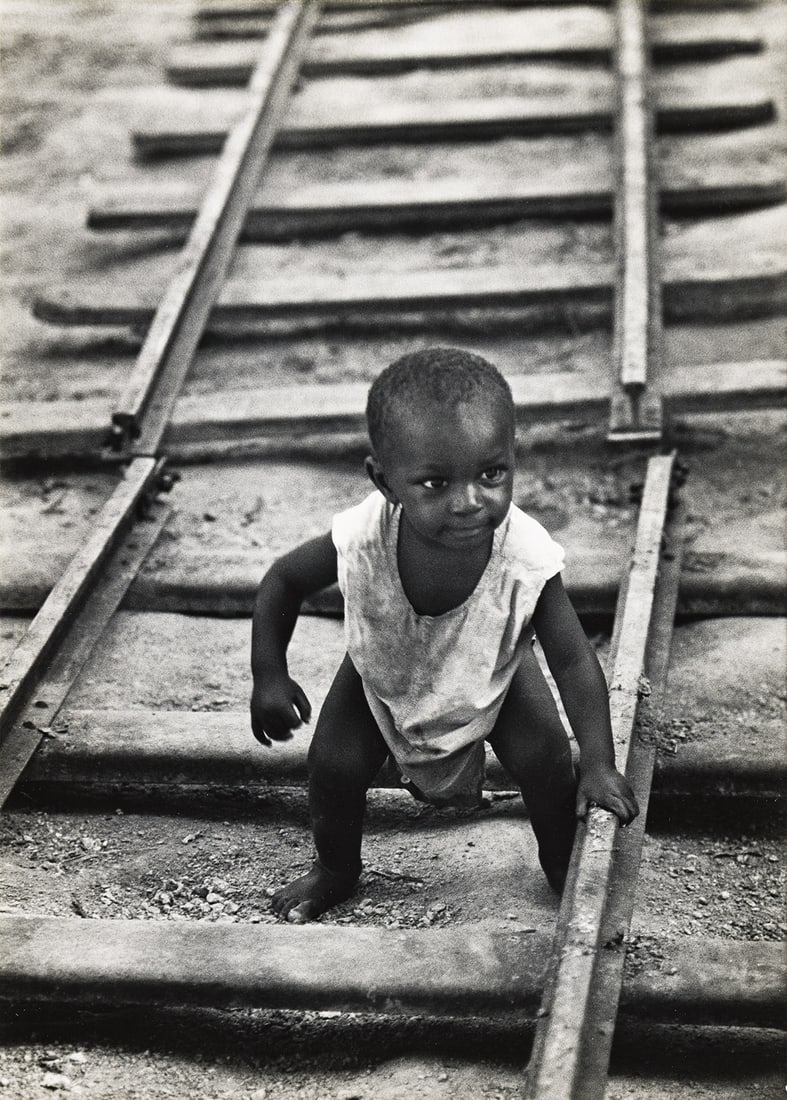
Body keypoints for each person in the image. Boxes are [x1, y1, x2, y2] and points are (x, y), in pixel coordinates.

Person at [250, 347, 638, 922]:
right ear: (383, 481)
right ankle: (336, 868)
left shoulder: (524, 556)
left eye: (491, 474)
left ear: (512, 460)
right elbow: (283, 580)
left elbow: (574, 660)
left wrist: (600, 763)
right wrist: (270, 674)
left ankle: (561, 865)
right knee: (332, 765)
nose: (468, 502)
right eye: (434, 483)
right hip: (384, 671)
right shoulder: (364, 536)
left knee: (548, 760)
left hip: (495, 675)